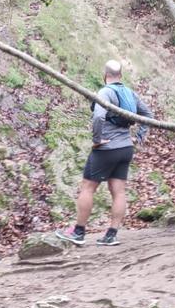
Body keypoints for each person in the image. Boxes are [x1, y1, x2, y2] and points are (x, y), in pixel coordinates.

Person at [57, 60, 152, 246]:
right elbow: (148, 114)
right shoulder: (130, 93)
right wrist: (138, 137)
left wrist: (97, 140)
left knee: (87, 187)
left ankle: (78, 232)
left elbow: (99, 116)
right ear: (121, 76)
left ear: (105, 75)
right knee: (118, 191)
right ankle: (111, 234)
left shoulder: (105, 92)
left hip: (107, 149)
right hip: (126, 148)